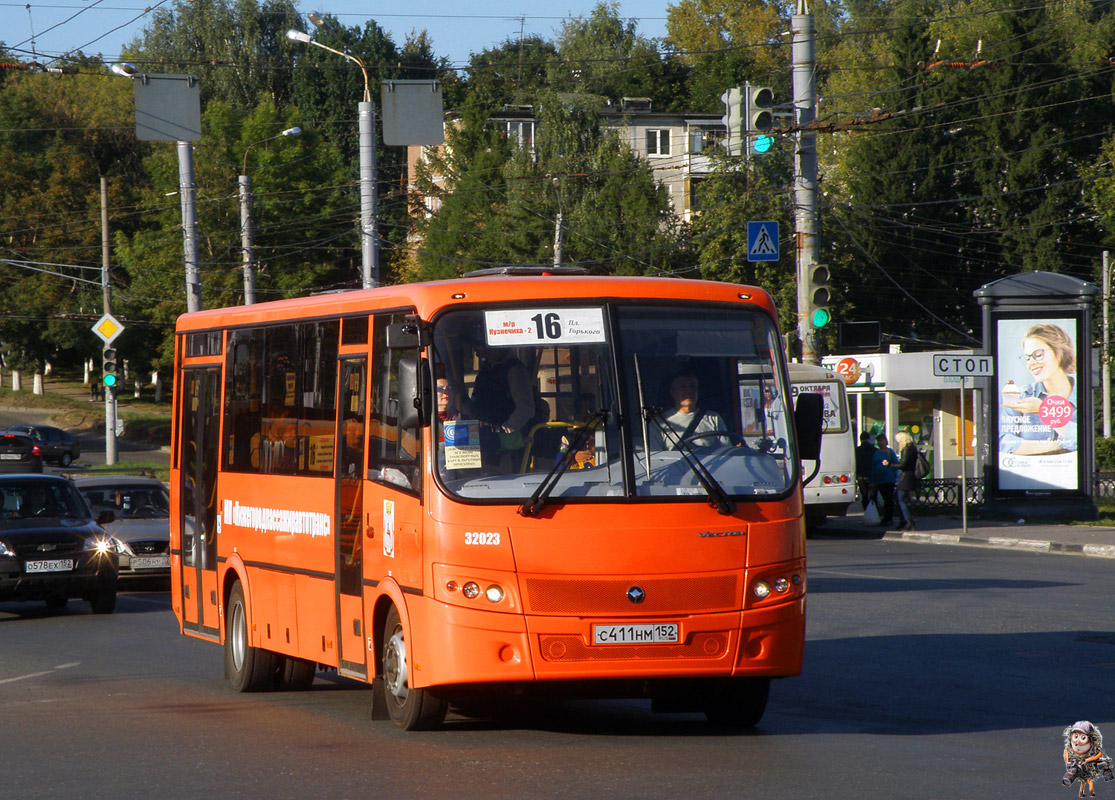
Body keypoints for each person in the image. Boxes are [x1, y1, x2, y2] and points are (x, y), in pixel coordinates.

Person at [1000, 323, 1077, 455]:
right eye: (1027, 358)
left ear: (1059, 353)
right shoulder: (1020, 395)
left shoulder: (1083, 395)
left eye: (1038, 354)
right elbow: (1004, 442)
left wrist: (1044, 410)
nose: (1031, 363)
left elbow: (1084, 438)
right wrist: (1059, 445)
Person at [466, 344, 535, 472]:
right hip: (485, 440)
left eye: (479, 342)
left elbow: (526, 409)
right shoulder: (485, 371)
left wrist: (504, 433)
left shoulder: (514, 369)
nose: (475, 348)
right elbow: (475, 405)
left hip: (509, 448)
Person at [646, 369, 728, 450]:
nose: (689, 391)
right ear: (673, 392)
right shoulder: (659, 422)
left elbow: (726, 452)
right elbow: (656, 457)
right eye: (683, 387)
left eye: (692, 386)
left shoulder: (713, 418)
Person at [870, 433, 900, 527]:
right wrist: (873, 480)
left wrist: (895, 475)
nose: (880, 443)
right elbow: (873, 466)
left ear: (886, 441)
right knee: (877, 499)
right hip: (878, 479)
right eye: (878, 441)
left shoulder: (890, 452)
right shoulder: (876, 453)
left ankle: (888, 518)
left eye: (882, 440)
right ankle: (879, 516)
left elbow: (896, 464)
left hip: (888, 479)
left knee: (888, 499)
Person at [893, 430, 917, 531]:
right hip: (909, 476)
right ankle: (903, 521)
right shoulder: (912, 448)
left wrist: (890, 465)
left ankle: (908, 520)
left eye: (899, 440)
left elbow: (903, 464)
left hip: (905, 476)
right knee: (901, 499)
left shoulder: (907, 449)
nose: (898, 442)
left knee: (900, 499)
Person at [854, 431, 876, 509]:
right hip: (871, 475)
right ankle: (873, 509)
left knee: (864, 495)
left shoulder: (856, 451)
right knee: (873, 494)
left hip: (861, 476)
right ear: (869, 439)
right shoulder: (874, 450)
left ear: (860, 439)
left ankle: (866, 510)